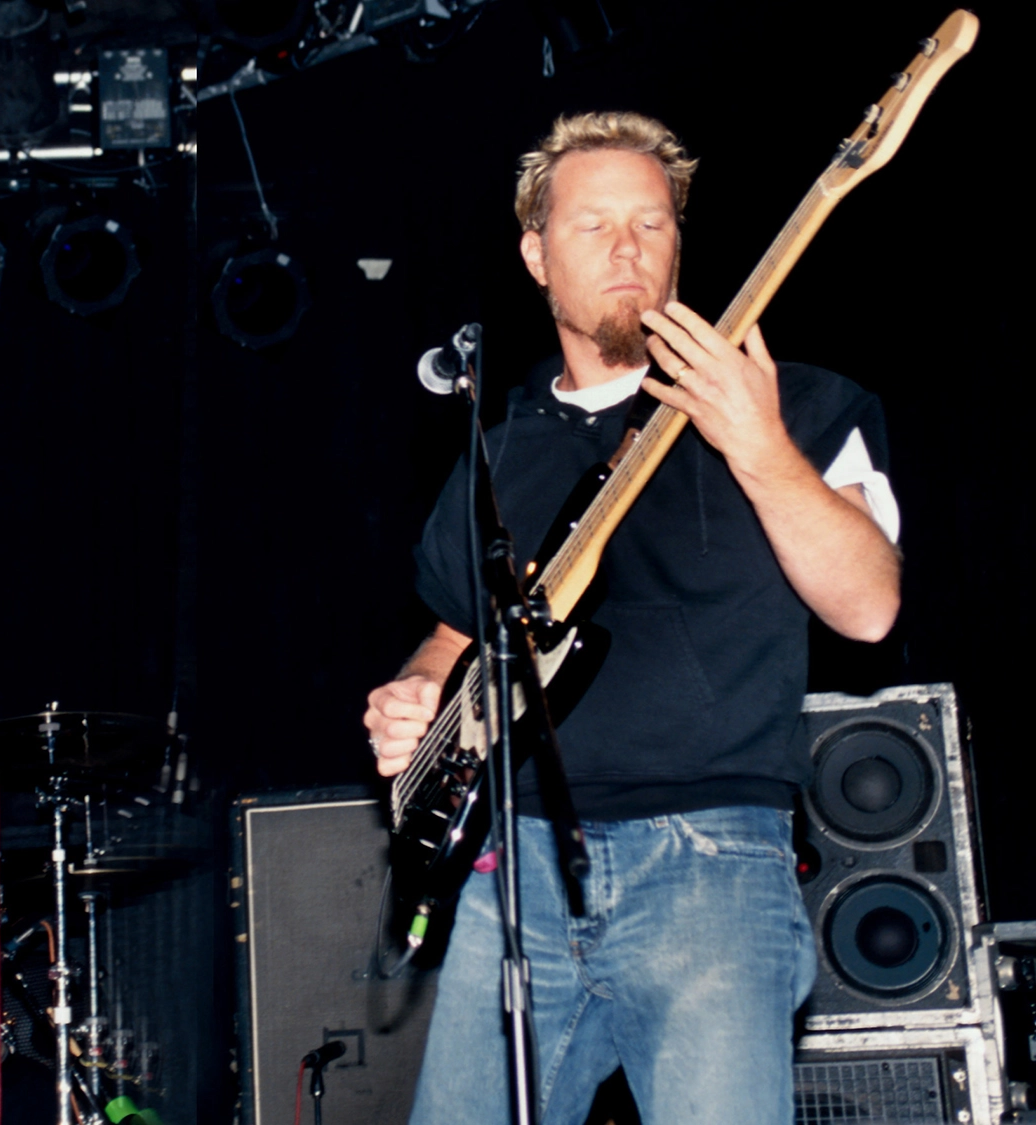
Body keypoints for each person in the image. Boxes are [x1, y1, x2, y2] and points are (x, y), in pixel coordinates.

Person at [363, 112, 901, 1125]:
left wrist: (756, 444)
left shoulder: (798, 404)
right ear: (535, 256)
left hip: (711, 863)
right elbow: (455, 630)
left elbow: (869, 605)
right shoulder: (496, 451)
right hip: (514, 869)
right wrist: (419, 688)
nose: (627, 250)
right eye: (594, 225)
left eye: (651, 224)